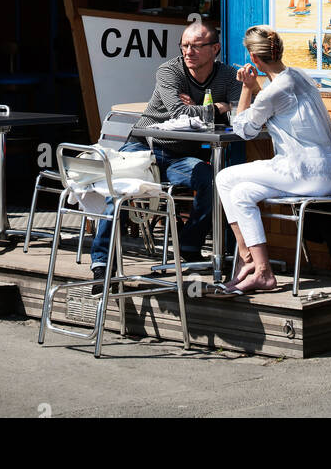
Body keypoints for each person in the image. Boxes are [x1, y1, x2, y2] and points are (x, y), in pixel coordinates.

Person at [88, 20, 241, 283]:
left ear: (215, 48)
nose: (188, 52)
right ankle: (101, 261)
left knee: (215, 181)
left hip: (181, 156)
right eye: (184, 45)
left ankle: (189, 247)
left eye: (196, 46)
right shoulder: (169, 70)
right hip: (144, 146)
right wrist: (218, 107)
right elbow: (179, 113)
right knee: (120, 189)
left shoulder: (228, 76)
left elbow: (240, 115)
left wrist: (214, 109)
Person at [215, 25, 331, 294]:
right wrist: (258, 88)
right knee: (241, 194)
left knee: (223, 177)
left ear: (253, 58)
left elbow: (244, 130)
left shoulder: (274, 91)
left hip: (301, 172)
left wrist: (247, 88)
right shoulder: (299, 76)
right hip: (325, 172)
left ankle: (246, 258)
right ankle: (263, 272)